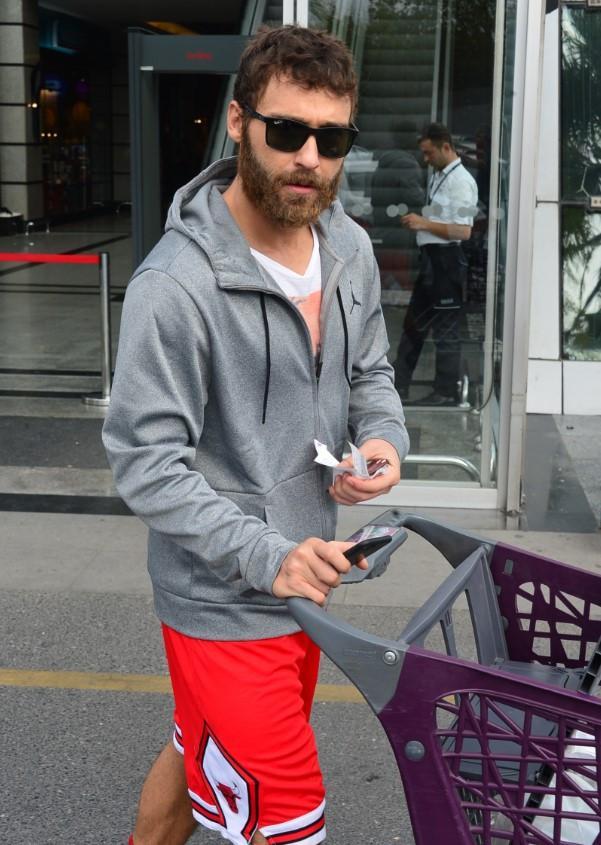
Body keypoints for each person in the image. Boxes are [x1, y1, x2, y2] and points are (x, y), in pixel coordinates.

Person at [102, 25, 409, 845]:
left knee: (194, 749)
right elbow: (147, 464)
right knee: (288, 822)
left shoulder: (347, 247)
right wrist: (266, 554)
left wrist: (382, 441)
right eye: (286, 131)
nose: (309, 157)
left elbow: (371, 375)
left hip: (307, 578)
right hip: (221, 601)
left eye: (331, 139)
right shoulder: (176, 284)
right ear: (238, 122)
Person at [392, 122, 478, 406]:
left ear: (446, 147)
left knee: (445, 329)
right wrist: (423, 224)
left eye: (429, 153)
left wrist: (423, 223)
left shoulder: (461, 181)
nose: (425, 159)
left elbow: (463, 231)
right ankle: (398, 386)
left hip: (447, 260)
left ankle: (445, 391)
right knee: (414, 325)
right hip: (432, 259)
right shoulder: (439, 176)